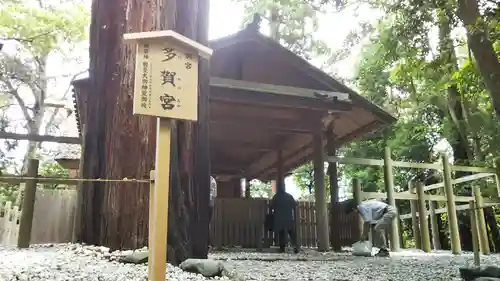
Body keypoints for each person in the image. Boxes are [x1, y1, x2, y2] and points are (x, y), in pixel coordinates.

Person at [269, 188, 299, 253]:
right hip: (288, 217)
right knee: (291, 233)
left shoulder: (276, 196)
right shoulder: (289, 196)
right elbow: (294, 205)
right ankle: (295, 246)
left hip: (279, 217)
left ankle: (282, 248)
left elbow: (271, 206)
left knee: (281, 233)